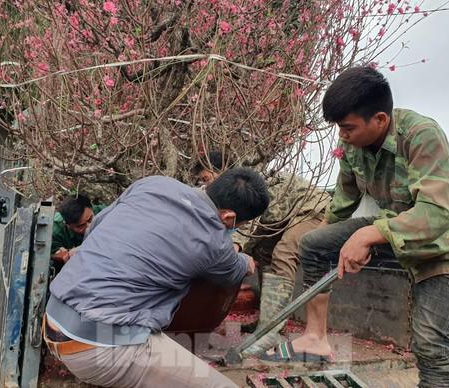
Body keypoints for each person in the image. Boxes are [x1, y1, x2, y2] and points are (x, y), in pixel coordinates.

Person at [264, 67, 449, 388]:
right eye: (339, 127)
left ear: (380, 119)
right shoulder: (353, 146)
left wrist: (366, 235)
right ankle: (314, 339)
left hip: (445, 244)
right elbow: (344, 198)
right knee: (313, 244)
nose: (342, 135)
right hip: (393, 230)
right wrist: (325, 240)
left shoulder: (421, 135)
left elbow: (436, 214)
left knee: (429, 342)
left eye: (348, 127)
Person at [43, 169, 269, 388]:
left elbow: (94, 230)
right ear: (228, 217)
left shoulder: (153, 185)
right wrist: (246, 261)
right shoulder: (213, 241)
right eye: (239, 225)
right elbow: (236, 268)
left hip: (54, 318)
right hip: (97, 344)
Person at [191, 152, 330, 355]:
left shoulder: (246, 185)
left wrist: (231, 250)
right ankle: (270, 319)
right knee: (263, 251)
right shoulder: (231, 188)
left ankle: (271, 332)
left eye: (206, 178)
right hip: (284, 217)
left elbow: (247, 228)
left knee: (284, 253)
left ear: (223, 170)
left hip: (312, 209)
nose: (206, 185)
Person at [50, 195, 105, 274]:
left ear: (91, 208)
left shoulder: (103, 212)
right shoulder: (54, 232)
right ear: (67, 225)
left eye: (90, 219)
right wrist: (66, 255)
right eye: (81, 226)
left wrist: (83, 249)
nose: (88, 226)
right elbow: (52, 256)